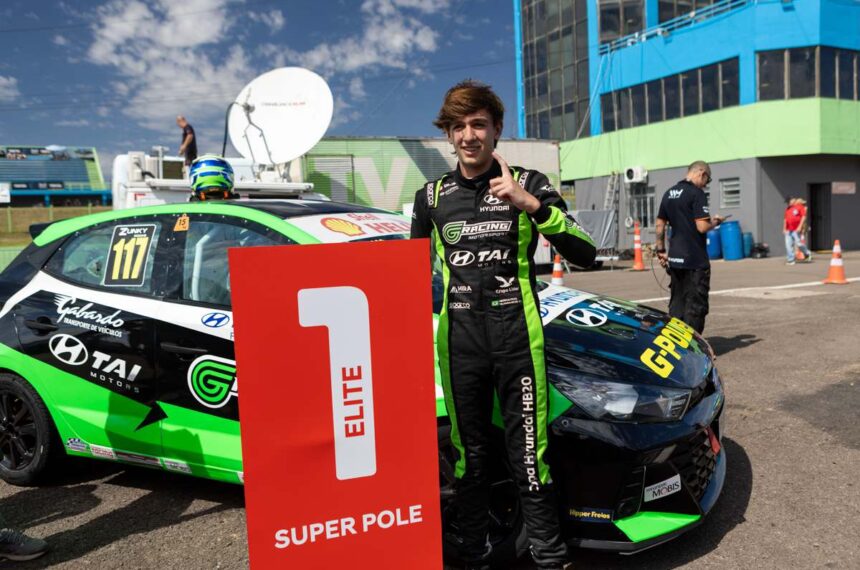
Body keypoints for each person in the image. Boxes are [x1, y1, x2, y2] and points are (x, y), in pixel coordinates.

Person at [411, 80, 595, 570]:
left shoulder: (530, 182)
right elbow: (405, 276)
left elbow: (587, 252)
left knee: (530, 458)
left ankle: (550, 558)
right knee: (469, 459)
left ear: (496, 129)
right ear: (448, 135)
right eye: (458, 126)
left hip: (518, 343)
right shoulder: (430, 197)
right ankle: (474, 555)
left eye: (478, 124)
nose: (468, 135)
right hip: (460, 346)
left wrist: (529, 203)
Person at [655, 161, 724, 334]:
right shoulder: (696, 193)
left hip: (675, 259)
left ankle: (674, 343)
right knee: (695, 308)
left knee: (677, 305)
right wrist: (715, 222)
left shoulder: (669, 193)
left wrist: (661, 251)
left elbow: (659, 225)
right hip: (695, 261)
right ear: (702, 173)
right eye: (707, 180)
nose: (705, 185)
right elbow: (702, 227)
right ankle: (691, 346)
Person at [784, 197, 812, 264]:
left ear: (792, 200)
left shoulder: (800, 207)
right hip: (788, 230)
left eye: (788, 202)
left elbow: (803, 217)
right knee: (788, 245)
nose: (788, 203)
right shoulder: (787, 209)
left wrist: (800, 227)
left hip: (796, 229)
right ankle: (791, 260)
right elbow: (785, 219)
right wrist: (784, 228)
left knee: (799, 244)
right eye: (787, 202)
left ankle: (807, 253)